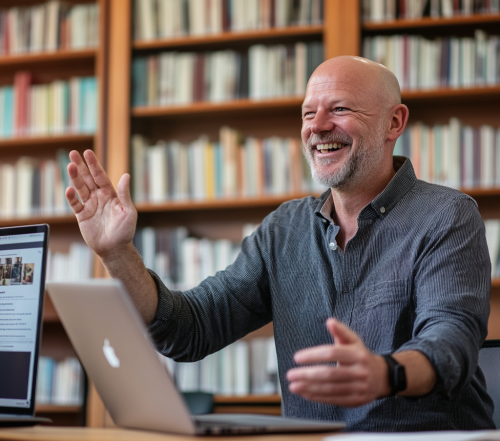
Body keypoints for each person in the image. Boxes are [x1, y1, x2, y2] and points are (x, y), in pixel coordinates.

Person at [65, 56, 494, 431]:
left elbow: (450, 342)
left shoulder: (447, 215)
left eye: (339, 109)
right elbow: (189, 329)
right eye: (308, 113)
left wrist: (386, 374)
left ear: (394, 122)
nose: (318, 127)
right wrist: (117, 253)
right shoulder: (284, 229)